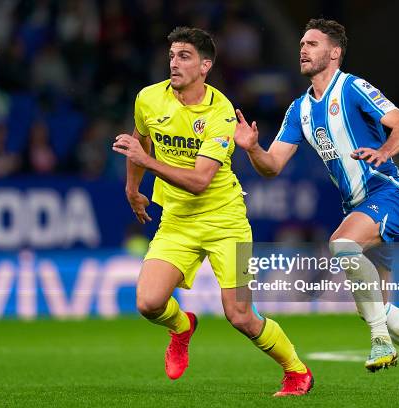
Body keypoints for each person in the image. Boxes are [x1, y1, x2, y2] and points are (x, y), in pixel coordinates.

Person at [234, 18, 399, 392]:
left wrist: (384, 151)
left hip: (388, 194)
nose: (303, 49)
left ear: (334, 53)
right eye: (302, 43)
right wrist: (254, 148)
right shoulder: (300, 110)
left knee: (341, 246)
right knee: (377, 307)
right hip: (358, 205)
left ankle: (379, 342)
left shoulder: (353, 88)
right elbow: (272, 166)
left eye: (312, 44)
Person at [112, 26, 313, 396]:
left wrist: (147, 163)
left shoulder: (220, 113)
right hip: (177, 221)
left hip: (226, 223)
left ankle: (296, 370)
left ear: (205, 65)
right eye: (172, 55)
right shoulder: (148, 99)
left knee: (239, 316)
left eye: (184, 56)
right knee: (148, 302)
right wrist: (132, 187)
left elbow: (200, 180)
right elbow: (140, 141)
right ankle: (182, 327)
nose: (174, 63)